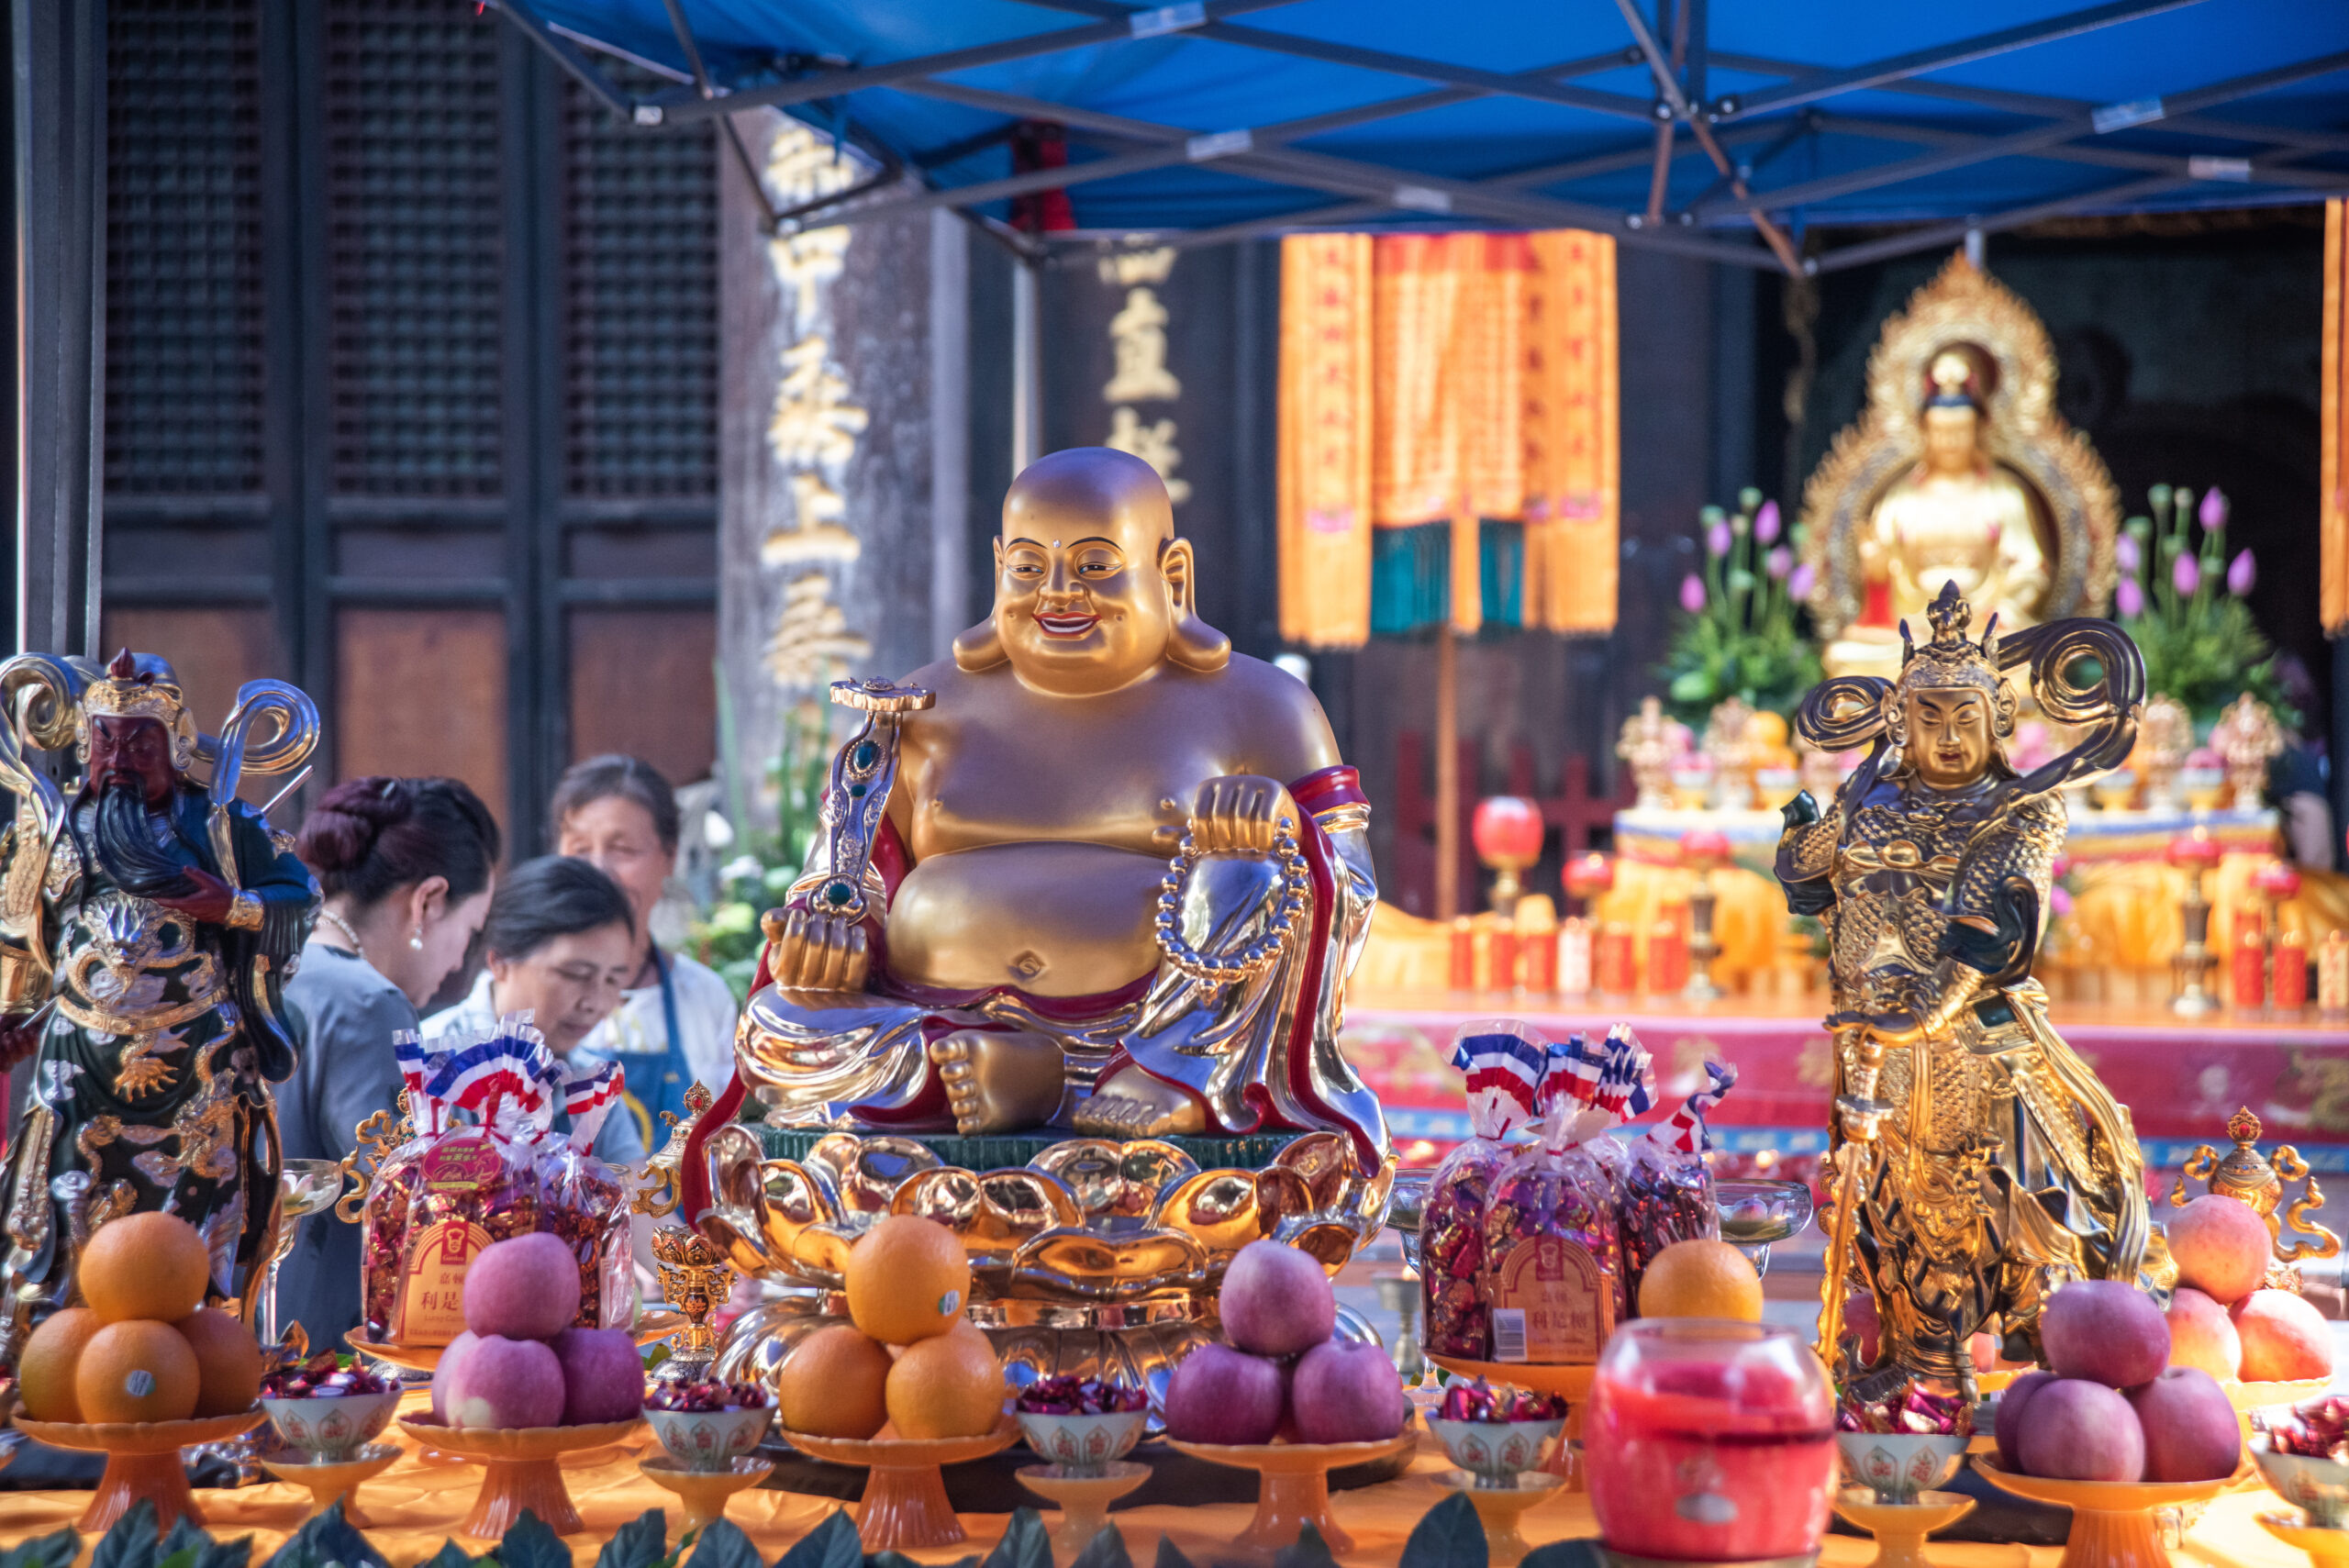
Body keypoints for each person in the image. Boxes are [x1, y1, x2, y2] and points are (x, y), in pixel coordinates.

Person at [276, 774, 500, 1352]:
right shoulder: (366, 1001)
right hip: (315, 1353)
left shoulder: (272, 965)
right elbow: (411, 1203)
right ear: (427, 901)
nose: (458, 965)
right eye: (469, 934)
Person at [551, 755, 738, 1145]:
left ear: (669, 857)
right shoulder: (533, 995)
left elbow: (727, 1141)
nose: (598, 870)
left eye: (622, 849)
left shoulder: (705, 997)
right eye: (580, 848)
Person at [422, 855, 648, 1169]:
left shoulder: (589, 1087)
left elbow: (641, 1204)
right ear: (500, 961)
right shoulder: (429, 1066)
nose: (594, 1002)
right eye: (576, 974)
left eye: (613, 980)